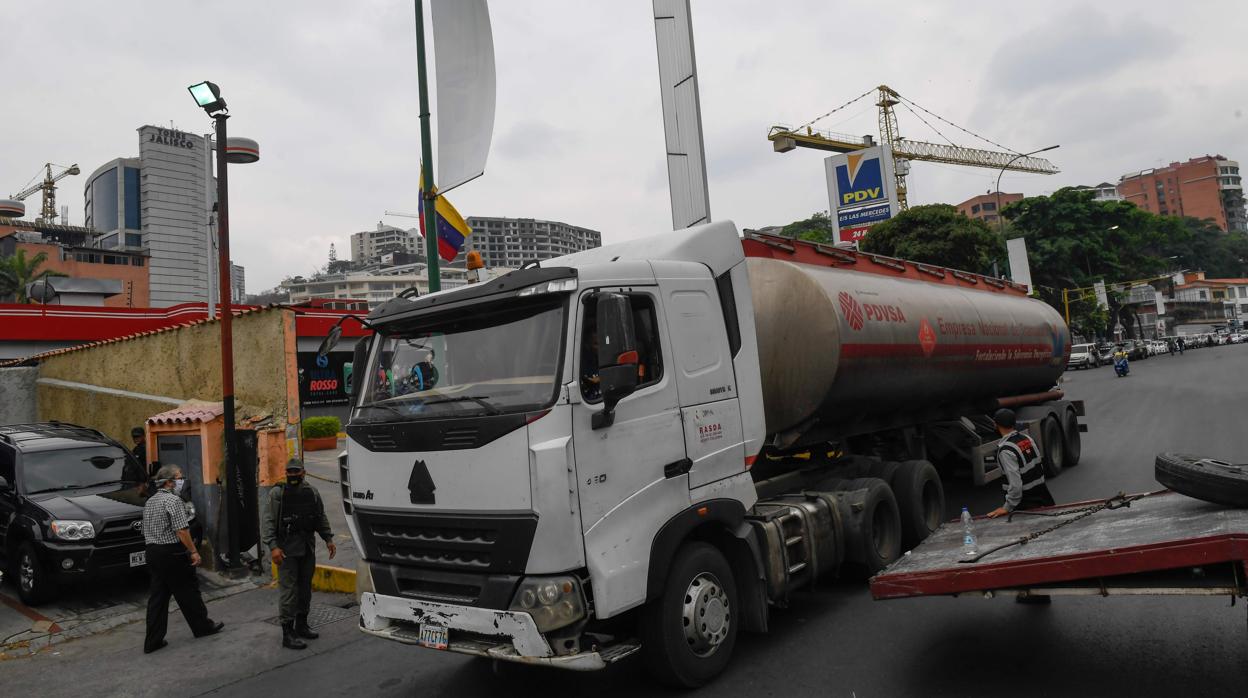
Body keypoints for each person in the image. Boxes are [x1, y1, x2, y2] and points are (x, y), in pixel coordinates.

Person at [143, 464, 223, 654]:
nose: (182, 481)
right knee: (188, 591)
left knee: (158, 597)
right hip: (172, 553)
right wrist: (194, 551)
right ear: (169, 482)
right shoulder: (173, 501)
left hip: (153, 551)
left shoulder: (150, 501)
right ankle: (202, 627)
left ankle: (152, 640)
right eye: (179, 478)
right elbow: (182, 530)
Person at [263, 459, 336, 650]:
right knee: (289, 591)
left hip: (306, 548)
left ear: (303, 473)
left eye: (296, 471)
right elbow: (268, 522)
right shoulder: (278, 493)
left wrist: (328, 538)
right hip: (286, 550)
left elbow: (320, 516)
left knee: (305, 589)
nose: (292, 475)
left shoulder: (311, 492)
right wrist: (273, 547)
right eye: (289, 471)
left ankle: (302, 625)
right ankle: (288, 633)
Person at [986, 408, 1055, 519]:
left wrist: (1007, 507)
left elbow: (1015, 485)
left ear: (996, 424)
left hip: (1025, 506)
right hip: (1044, 498)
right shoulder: (1028, 439)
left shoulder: (1006, 450)